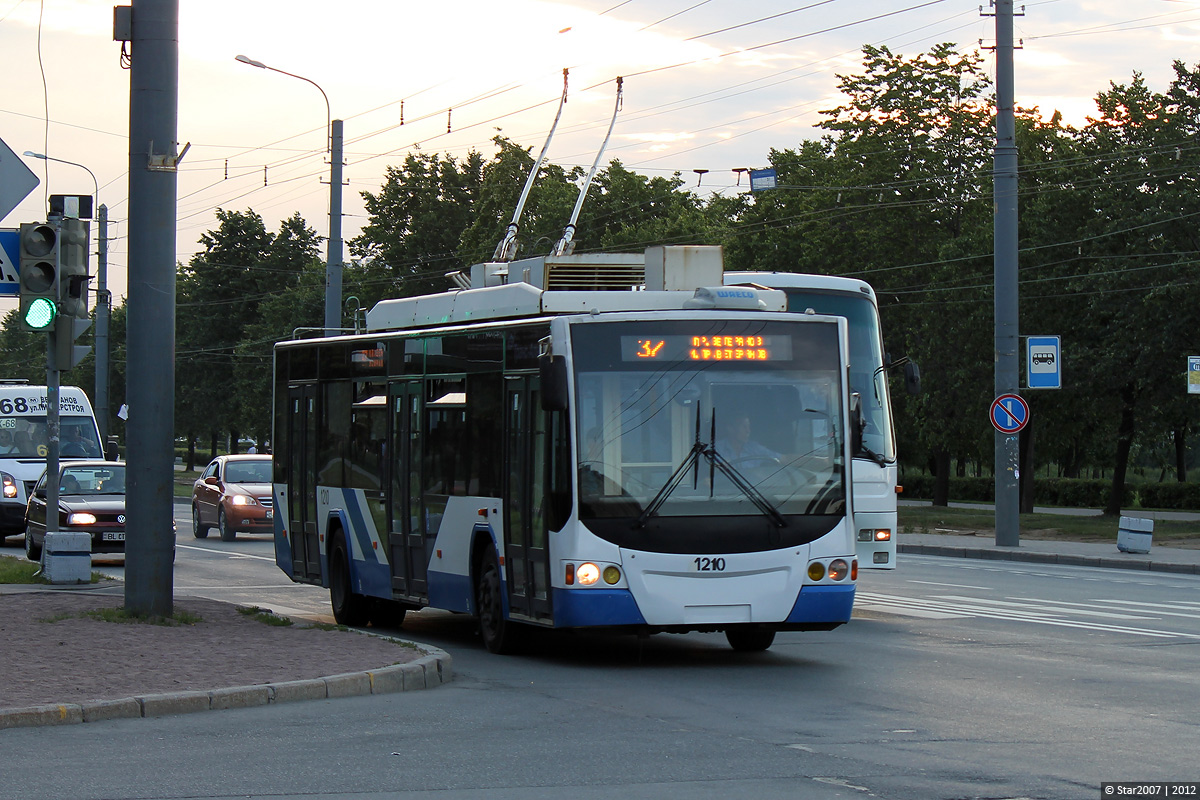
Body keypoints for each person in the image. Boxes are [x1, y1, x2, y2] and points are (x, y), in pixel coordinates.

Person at [714, 413, 781, 469]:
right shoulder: (717, 449)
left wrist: (791, 461)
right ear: (730, 429)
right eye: (744, 427)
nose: (748, 431)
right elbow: (711, 473)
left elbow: (782, 458)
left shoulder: (754, 448)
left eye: (748, 427)